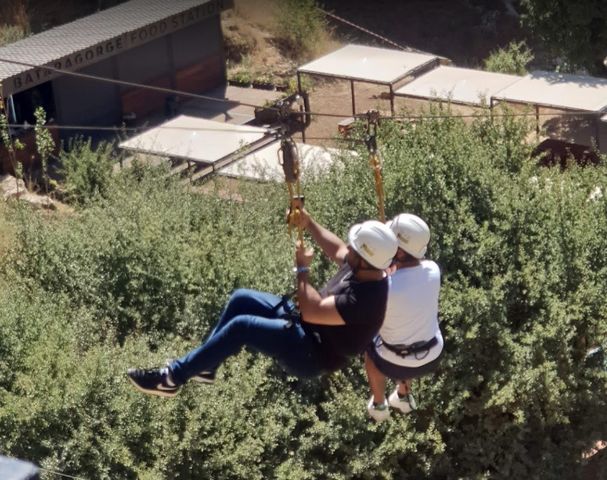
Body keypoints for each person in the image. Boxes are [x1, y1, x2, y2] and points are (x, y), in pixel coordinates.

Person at [127, 209, 398, 397]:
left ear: (364, 259)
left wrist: (302, 269)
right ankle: (205, 366)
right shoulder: (367, 268)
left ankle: (171, 378)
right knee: (241, 298)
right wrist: (309, 223)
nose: (348, 250)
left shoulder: (365, 300)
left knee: (242, 326)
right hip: (309, 331)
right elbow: (337, 249)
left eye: (354, 249)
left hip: (311, 354)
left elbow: (312, 310)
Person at [364, 213, 444, 422]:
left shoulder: (385, 286)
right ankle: (403, 395)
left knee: (370, 351)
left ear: (398, 251)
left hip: (394, 361)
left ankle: (379, 404)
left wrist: (380, 257)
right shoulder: (433, 270)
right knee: (409, 331)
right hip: (431, 356)